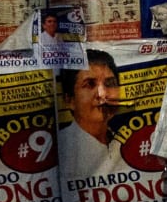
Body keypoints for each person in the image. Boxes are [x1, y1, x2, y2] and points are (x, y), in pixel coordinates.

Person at [59, 49, 143, 183]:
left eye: (110, 84)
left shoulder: (127, 139)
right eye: (90, 84)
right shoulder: (61, 148)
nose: (102, 94)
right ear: (70, 100)